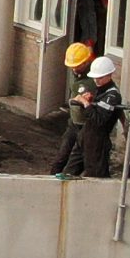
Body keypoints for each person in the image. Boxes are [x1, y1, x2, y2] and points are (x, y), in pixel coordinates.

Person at [50, 42, 95, 177]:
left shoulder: (93, 79)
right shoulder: (78, 74)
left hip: (85, 126)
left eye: (77, 66)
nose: (74, 69)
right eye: (72, 66)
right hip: (73, 123)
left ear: (86, 62)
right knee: (61, 158)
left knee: (78, 161)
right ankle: (51, 181)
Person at [81, 55, 126, 179]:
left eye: (100, 78)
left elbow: (99, 119)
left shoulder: (112, 95)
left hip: (98, 142)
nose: (96, 81)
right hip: (87, 138)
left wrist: (86, 104)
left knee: (97, 176)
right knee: (70, 168)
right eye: (95, 78)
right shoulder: (99, 90)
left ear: (109, 75)